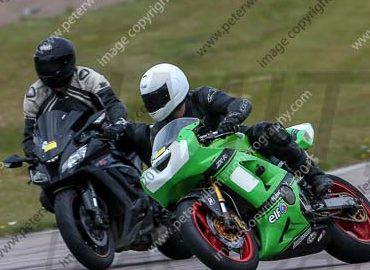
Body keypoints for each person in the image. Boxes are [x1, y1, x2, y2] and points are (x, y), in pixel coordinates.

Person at [139, 63, 333, 195]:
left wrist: (232, 119)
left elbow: (239, 104)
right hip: (202, 168)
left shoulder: (201, 96)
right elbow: (160, 160)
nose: (153, 105)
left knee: (267, 131)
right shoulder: (158, 131)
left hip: (238, 144)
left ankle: (315, 176)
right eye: (149, 101)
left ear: (173, 88)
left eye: (157, 98)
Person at [22, 37, 130, 210]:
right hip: (61, 152)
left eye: (52, 65)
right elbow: (29, 136)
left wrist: (118, 123)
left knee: (137, 133)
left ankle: (159, 181)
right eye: (43, 65)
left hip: (101, 140)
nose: (47, 70)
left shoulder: (87, 78)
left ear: (67, 61)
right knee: (46, 197)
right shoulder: (34, 95)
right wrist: (33, 155)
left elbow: (113, 104)